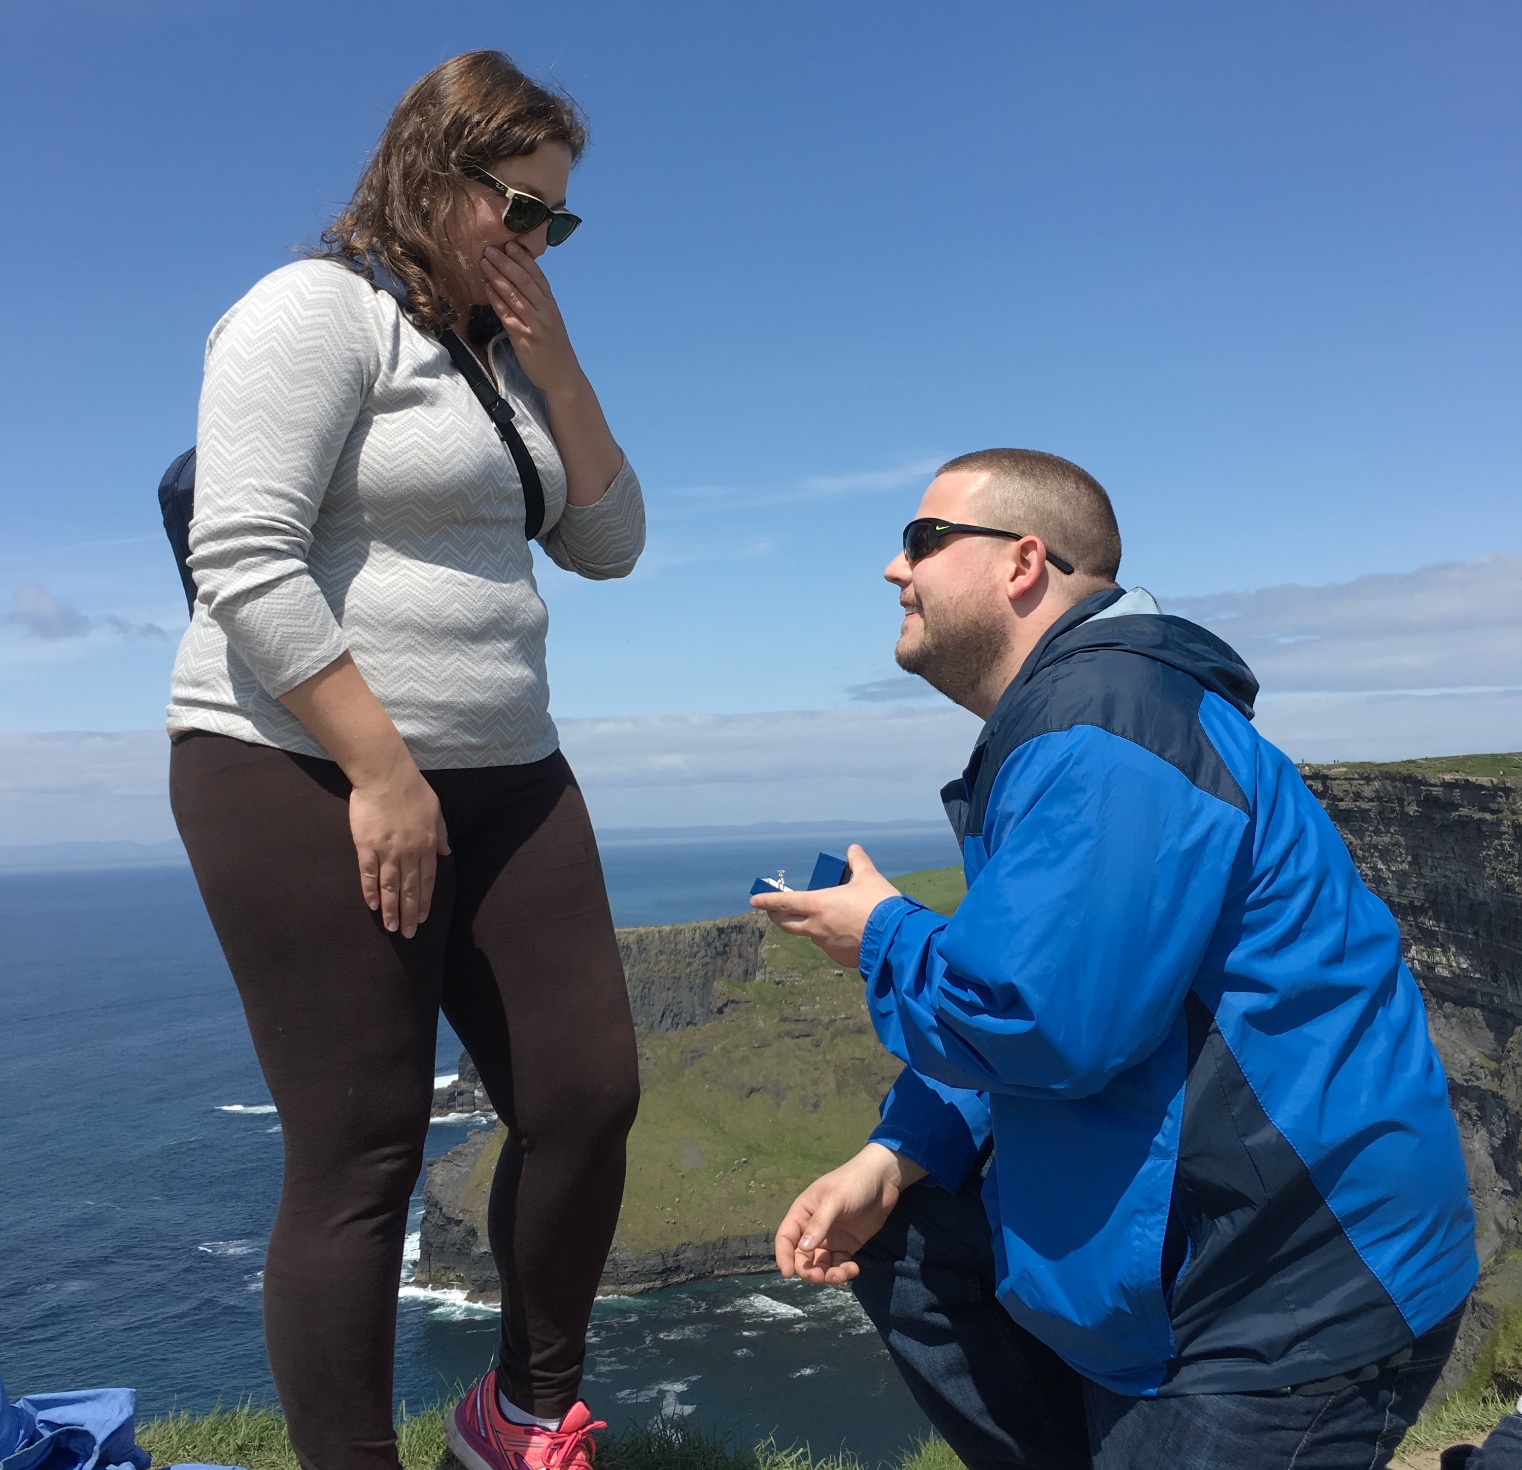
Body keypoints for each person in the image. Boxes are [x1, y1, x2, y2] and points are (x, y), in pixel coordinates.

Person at [752, 449, 1478, 1470]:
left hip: (1280, 1283)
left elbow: (1044, 1023)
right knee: (905, 1235)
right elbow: (1037, 981)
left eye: (921, 541)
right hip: (1206, 1243)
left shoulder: (1103, 726)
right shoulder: (1076, 717)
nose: (891, 569)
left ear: (1021, 564)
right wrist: (892, 1154)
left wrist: (878, 934)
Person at [167, 52, 641, 1470]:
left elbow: (608, 543)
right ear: (436, 177)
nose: (539, 241)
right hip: (302, 765)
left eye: (561, 221)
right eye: (521, 208)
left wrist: (554, 360)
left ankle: (517, 1412)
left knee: (584, 1093)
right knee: (364, 1149)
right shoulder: (310, 312)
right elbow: (242, 560)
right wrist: (381, 771)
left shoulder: (497, 359)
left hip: (511, 770)